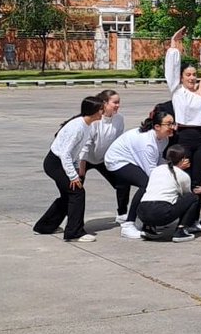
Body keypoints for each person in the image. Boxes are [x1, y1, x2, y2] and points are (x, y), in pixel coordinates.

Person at [32, 96, 105, 242]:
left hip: (63, 162)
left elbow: (76, 151)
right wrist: (73, 176)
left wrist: (77, 169)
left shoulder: (87, 125)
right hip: (56, 163)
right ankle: (74, 232)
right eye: (101, 110)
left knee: (68, 195)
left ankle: (44, 226)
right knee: (77, 193)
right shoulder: (78, 127)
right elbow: (65, 153)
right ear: (93, 111)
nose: (102, 112)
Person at [107, 108, 177, 239]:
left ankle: (144, 219)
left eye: (173, 123)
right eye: (169, 124)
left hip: (133, 158)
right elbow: (151, 172)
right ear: (157, 126)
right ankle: (129, 224)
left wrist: (172, 170)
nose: (173, 127)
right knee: (146, 184)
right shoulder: (147, 143)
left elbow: (158, 159)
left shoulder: (164, 139)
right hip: (116, 161)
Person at [167, 26, 201, 187]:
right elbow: (171, 69)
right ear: (181, 77)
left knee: (197, 179)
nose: (192, 77)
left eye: (194, 74)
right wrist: (174, 42)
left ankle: (195, 208)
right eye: (188, 74)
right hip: (183, 137)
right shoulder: (177, 90)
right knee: (182, 177)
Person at [77, 89, 129, 222]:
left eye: (119, 102)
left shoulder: (119, 119)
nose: (117, 105)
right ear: (104, 104)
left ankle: (122, 214)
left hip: (104, 159)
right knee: (76, 189)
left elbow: (118, 142)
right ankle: (71, 220)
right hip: (84, 159)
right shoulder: (95, 120)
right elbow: (85, 146)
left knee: (123, 182)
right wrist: (81, 169)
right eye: (115, 103)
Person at [138, 145, 201, 242]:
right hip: (161, 213)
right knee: (193, 198)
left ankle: (148, 227)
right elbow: (186, 196)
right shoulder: (183, 175)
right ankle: (181, 230)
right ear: (183, 160)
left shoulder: (157, 169)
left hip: (142, 212)